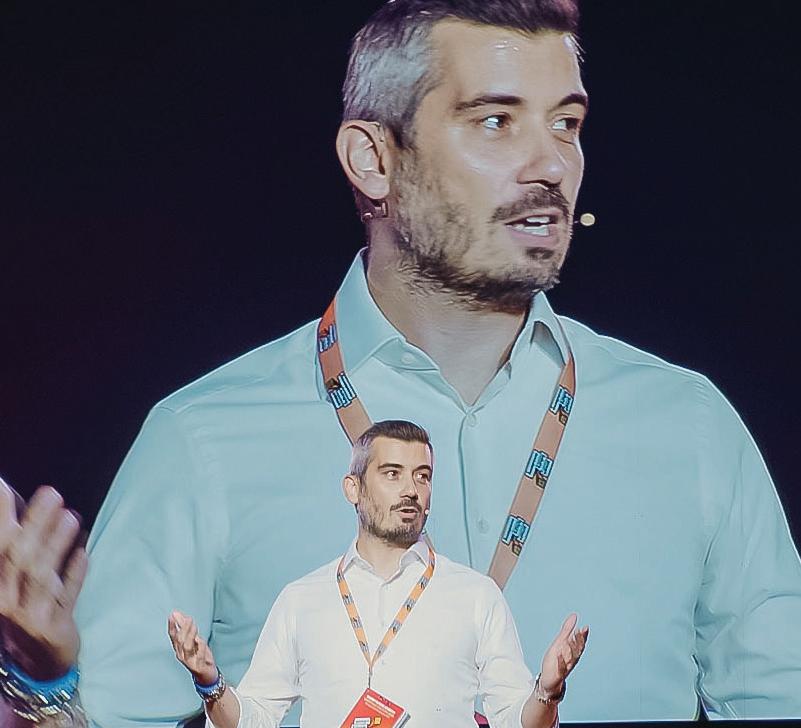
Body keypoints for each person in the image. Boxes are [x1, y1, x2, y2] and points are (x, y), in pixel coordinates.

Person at [2, 0, 801, 725]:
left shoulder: (689, 428)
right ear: (372, 159)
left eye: (565, 123)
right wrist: (38, 684)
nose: (552, 165)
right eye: (496, 121)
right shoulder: (202, 441)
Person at [167, 420, 588, 727]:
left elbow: (516, 721)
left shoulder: (477, 596)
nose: (411, 491)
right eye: (392, 474)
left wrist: (547, 690)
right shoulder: (302, 599)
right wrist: (210, 682)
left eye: (422, 477)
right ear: (353, 488)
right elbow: (254, 719)